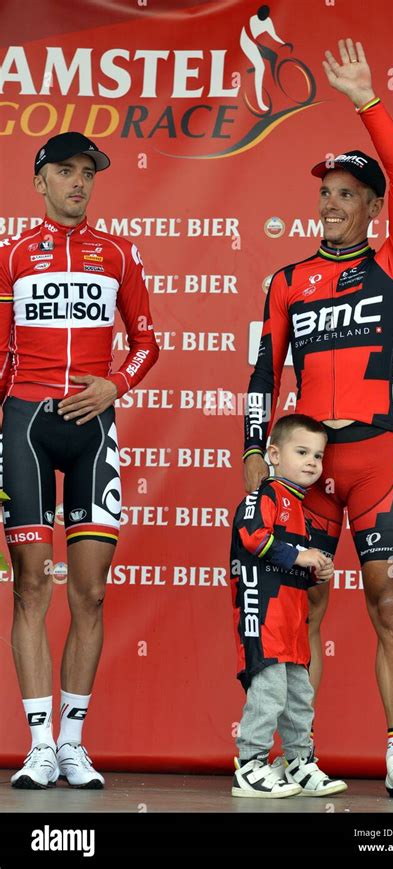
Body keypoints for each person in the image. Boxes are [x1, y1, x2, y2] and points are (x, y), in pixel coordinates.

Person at [243, 39, 393, 799]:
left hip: (377, 459)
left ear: (372, 207)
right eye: (326, 191)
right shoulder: (287, 280)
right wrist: (255, 452)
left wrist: (365, 99)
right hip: (307, 470)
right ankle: (299, 752)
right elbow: (265, 371)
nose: (331, 201)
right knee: (303, 607)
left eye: (348, 192)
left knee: (387, 600)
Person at [0, 131, 159, 789]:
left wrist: (114, 385)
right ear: (39, 181)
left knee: (90, 590)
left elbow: (149, 341)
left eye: (87, 173)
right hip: (25, 422)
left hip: (93, 428)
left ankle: (72, 742)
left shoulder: (117, 255)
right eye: (65, 171)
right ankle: (39, 744)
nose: (78, 182)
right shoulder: (10, 256)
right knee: (32, 585)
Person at [231, 414, 347, 798]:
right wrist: (301, 557)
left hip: (294, 620)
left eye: (318, 455)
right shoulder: (261, 496)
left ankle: (298, 762)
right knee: (269, 691)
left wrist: (317, 571)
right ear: (275, 455)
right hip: (263, 611)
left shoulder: (301, 508)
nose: (313, 462)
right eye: (302, 452)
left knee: (300, 694)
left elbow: (297, 566)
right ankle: (250, 765)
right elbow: (251, 536)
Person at [240, 4, 290, 112]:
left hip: (257, 42)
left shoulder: (268, 22)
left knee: (273, 56)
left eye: (264, 16)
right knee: (261, 67)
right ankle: (260, 101)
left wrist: (285, 43)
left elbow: (273, 35)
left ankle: (272, 75)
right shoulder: (252, 19)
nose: (261, 17)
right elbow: (249, 35)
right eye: (260, 15)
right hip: (247, 41)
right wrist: (260, 48)